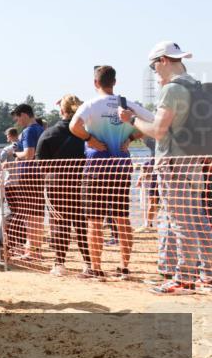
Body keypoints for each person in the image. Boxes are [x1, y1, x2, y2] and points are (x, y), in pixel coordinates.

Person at [119, 41, 212, 294]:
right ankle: (207, 275)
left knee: (180, 222)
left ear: (162, 61)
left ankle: (184, 278)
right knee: (198, 219)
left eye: (153, 66)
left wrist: (132, 119)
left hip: (172, 163)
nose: (154, 71)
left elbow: (158, 131)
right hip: (193, 161)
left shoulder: (171, 89)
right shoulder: (195, 86)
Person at [70, 66, 150, 280]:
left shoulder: (90, 105)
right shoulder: (127, 104)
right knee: (122, 218)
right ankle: (124, 267)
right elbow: (151, 122)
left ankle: (96, 268)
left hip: (97, 167)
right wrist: (130, 138)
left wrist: (90, 139)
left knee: (94, 221)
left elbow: (73, 126)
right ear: (114, 82)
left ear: (95, 83)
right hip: (121, 166)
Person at [36, 94, 90, 276]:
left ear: (61, 111)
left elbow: (41, 164)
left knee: (60, 223)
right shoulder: (86, 133)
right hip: (83, 183)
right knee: (82, 224)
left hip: (56, 184)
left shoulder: (49, 133)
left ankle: (59, 264)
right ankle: (89, 263)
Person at [5, 104, 46, 261]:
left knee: (30, 216)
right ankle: (35, 250)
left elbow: (29, 154)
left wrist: (16, 154)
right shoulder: (41, 129)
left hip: (28, 176)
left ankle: (32, 251)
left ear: (24, 114)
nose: (17, 121)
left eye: (17, 117)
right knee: (37, 215)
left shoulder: (29, 131)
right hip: (38, 175)